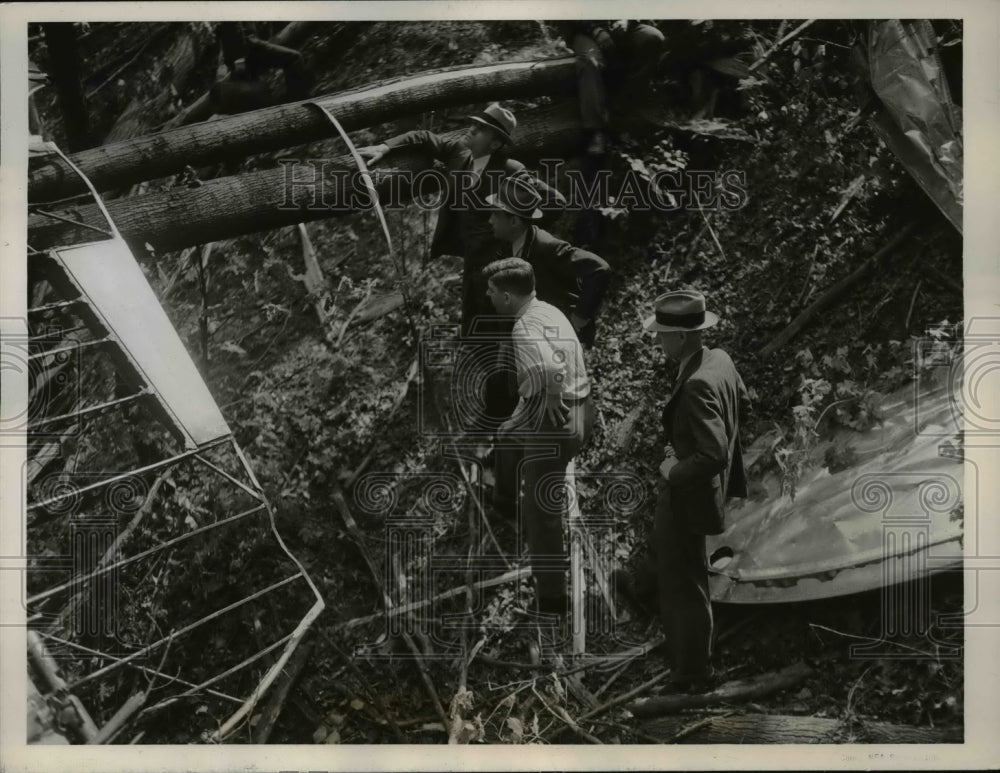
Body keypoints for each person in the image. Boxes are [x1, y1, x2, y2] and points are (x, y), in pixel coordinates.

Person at [359, 105, 564, 430]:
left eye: (480, 129)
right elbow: (426, 137)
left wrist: (521, 241)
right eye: (473, 123)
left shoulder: (510, 169)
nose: (471, 129)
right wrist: (386, 146)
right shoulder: (459, 155)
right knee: (474, 336)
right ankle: (505, 400)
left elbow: (553, 202)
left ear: (496, 143)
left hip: (502, 278)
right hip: (472, 271)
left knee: (503, 348)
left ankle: (501, 416)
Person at [643, 289, 750, 692]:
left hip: (690, 495)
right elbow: (741, 400)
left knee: (684, 583)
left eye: (662, 334)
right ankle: (642, 588)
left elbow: (714, 454)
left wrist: (674, 468)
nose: (657, 340)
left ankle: (693, 674)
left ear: (684, 337)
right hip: (693, 485)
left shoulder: (697, 384)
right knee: (672, 566)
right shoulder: (718, 358)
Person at [484, 258, 594, 618]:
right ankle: (503, 501)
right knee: (506, 435)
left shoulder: (521, 328)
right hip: (574, 407)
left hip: (557, 420)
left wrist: (550, 392)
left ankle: (552, 598)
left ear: (506, 296)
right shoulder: (547, 309)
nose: (487, 295)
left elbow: (550, 366)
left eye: (491, 292)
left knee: (541, 513)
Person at [487, 175, 610, 350]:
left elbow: (599, 269)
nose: (490, 220)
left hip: (560, 336)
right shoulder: (506, 247)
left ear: (514, 221)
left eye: (495, 215)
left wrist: (579, 318)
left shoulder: (546, 247)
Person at [210, 22, 312, 114]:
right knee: (294, 58)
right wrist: (239, 58)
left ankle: (293, 108)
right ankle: (298, 107)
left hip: (248, 46)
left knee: (252, 92)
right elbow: (229, 24)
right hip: (248, 48)